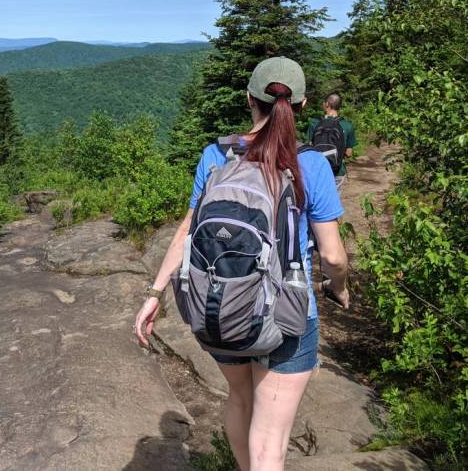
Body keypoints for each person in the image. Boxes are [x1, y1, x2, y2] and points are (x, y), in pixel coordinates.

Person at [135, 57, 350, 471]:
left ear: (249, 99)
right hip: (288, 313)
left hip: (219, 305)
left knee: (238, 397)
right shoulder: (311, 164)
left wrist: (155, 294)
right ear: (302, 107)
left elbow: (187, 232)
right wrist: (338, 287)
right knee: (270, 437)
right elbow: (333, 255)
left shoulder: (215, 156)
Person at [306, 93, 357, 191]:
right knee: (334, 201)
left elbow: (308, 147)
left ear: (327, 104)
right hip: (337, 171)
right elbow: (349, 153)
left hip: (318, 170)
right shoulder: (347, 125)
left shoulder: (314, 123)